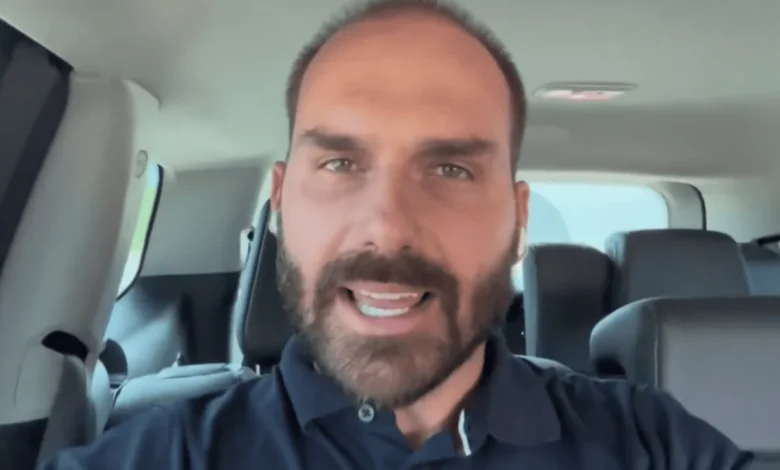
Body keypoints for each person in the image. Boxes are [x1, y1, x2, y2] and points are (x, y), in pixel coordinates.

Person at [45, 1, 753, 469]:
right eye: (340, 163)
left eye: (450, 169)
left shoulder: (653, 446)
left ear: (518, 220)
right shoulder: (161, 454)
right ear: (282, 204)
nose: (387, 225)